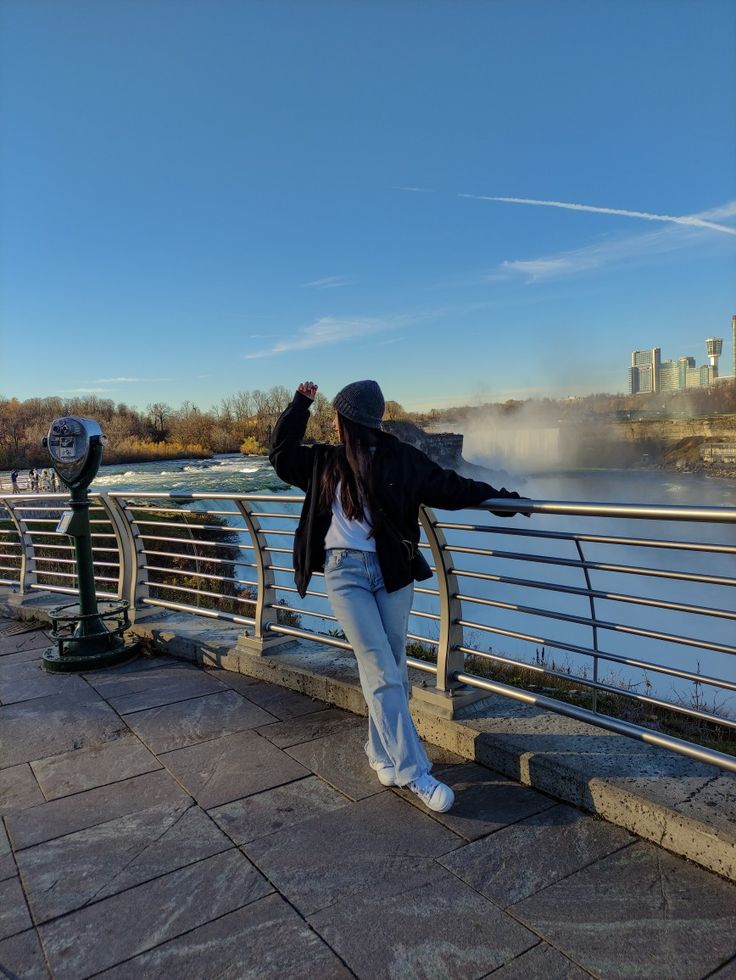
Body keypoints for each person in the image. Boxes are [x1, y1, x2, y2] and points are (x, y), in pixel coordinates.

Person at [269, 379, 527, 813]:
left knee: (393, 672)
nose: (331, 422)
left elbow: (452, 487)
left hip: (391, 573)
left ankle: (380, 752)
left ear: (347, 420)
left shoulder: (400, 460)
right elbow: (279, 452)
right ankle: (415, 773)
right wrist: (300, 405)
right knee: (380, 670)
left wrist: (508, 501)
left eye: (335, 415)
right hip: (344, 575)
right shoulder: (322, 462)